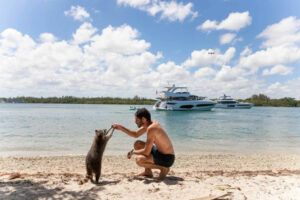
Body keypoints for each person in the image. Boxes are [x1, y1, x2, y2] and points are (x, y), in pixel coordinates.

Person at [112, 108, 175, 180]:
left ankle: (163, 168)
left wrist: (132, 152)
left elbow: (146, 152)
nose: (135, 122)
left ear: (144, 119)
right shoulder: (149, 123)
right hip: (159, 152)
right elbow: (136, 134)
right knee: (137, 144)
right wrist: (121, 128)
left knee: (139, 160)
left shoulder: (152, 128)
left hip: (167, 158)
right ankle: (148, 172)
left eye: (137, 120)